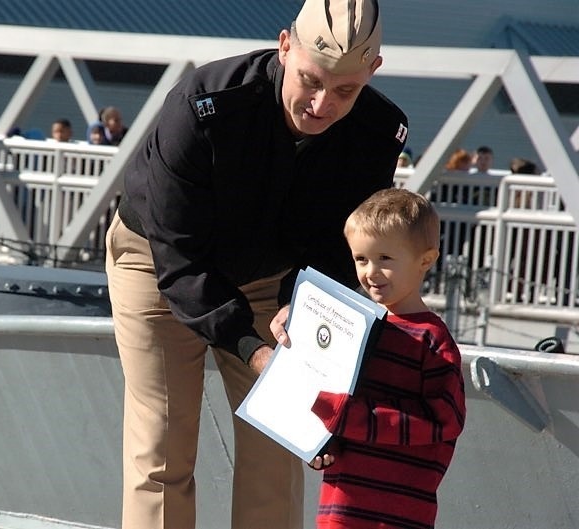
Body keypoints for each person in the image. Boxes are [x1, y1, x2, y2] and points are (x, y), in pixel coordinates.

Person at [105, 0, 408, 527]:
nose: (321, 104)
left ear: (373, 74)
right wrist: (252, 350)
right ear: (284, 45)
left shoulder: (377, 133)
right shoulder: (203, 103)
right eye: (310, 81)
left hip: (273, 274)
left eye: (345, 91)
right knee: (162, 452)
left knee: (279, 447)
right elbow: (181, 261)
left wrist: (301, 305)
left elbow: (340, 247)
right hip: (156, 262)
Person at [308, 187, 466, 529]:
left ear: (425, 260)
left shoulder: (432, 339)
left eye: (385, 259)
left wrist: (346, 417)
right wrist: (320, 442)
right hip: (340, 506)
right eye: (361, 259)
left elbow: (444, 420)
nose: (370, 272)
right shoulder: (353, 329)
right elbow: (339, 413)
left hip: (398, 514)